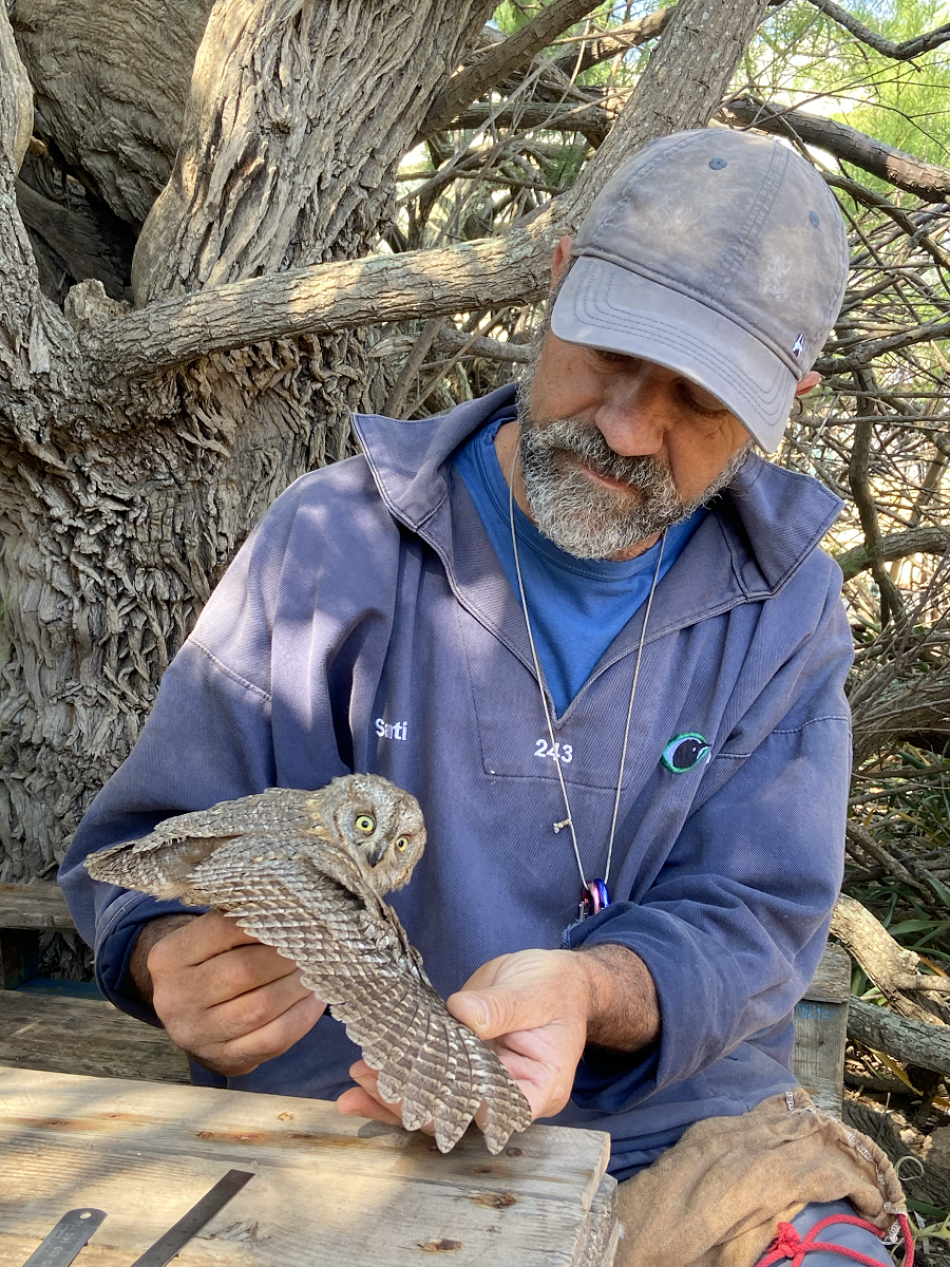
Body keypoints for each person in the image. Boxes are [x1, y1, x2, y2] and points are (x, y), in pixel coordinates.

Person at [60, 129, 906, 1266]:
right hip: (345, 1132)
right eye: (607, 352)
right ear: (556, 283)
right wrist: (168, 957)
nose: (624, 426)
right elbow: (149, 842)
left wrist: (591, 991)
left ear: (781, 403)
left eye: (696, 402)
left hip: (660, 1144)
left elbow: (754, 917)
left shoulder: (783, 606)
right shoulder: (334, 539)